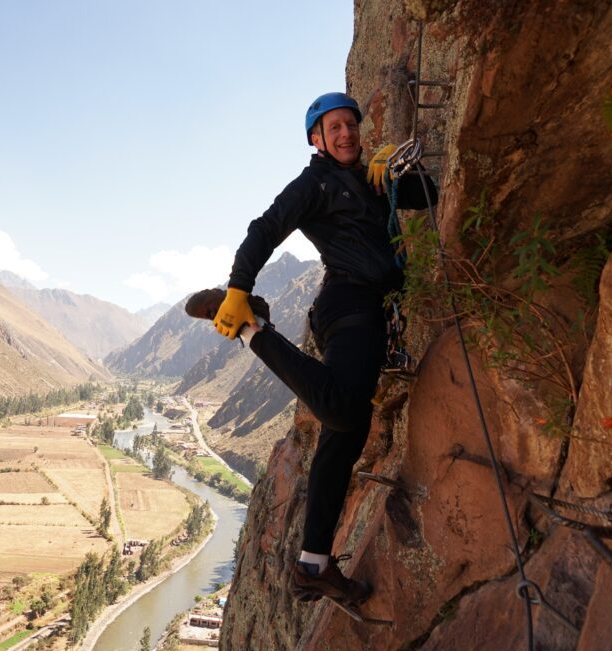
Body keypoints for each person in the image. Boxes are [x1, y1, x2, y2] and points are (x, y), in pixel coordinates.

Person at [187, 92, 437, 608]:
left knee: (345, 436)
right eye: (333, 128)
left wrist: (393, 175)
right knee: (344, 410)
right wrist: (238, 287)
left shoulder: (369, 182)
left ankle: (313, 564)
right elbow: (266, 228)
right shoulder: (314, 183)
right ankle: (252, 328)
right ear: (315, 139)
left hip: (370, 311)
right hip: (348, 306)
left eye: (351, 125)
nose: (346, 134)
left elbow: (428, 194)